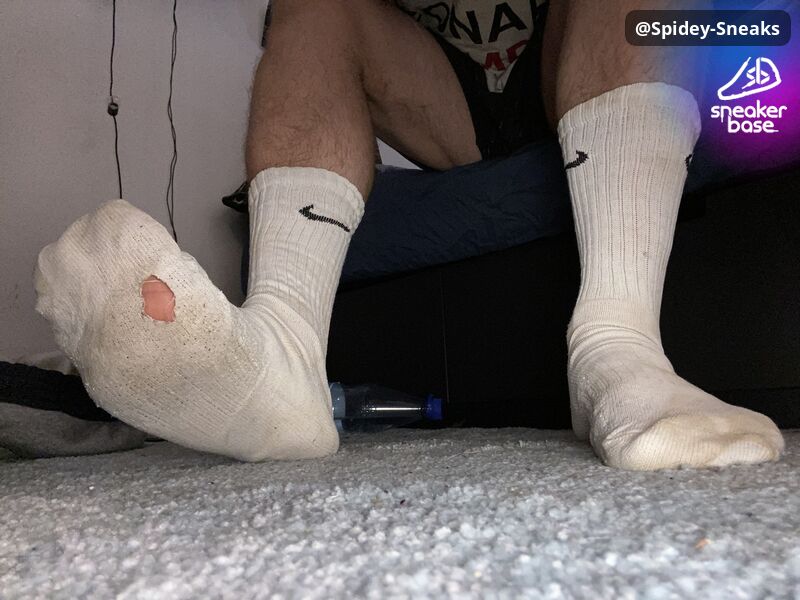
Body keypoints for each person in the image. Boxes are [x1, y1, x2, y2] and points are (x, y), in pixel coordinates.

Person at [33, 0, 783, 469]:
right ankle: (284, 357)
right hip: (454, 101)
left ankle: (620, 346)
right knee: (312, 7)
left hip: (583, 50)